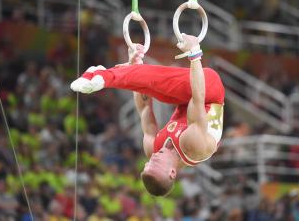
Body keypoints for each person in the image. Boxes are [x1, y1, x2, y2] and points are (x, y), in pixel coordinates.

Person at [71, 34, 225, 196]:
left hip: (186, 101)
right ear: (172, 173)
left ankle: (116, 73)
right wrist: (194, 52)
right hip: (208, 92)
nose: (154, 156)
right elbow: (198, 97)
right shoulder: (194, 145)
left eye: (149, 161)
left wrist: (134, 65)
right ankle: (105, 76)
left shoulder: (153, 149)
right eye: (156, 163)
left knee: (155, 87)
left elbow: (144, 108)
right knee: (162, 81)